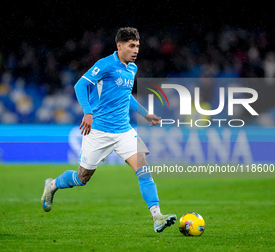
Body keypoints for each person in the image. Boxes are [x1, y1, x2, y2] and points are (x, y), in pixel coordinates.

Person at [41, 27, 176, 233]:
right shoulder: (105, 65)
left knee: (144, 171)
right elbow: (80, 86)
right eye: (131, 46)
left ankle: (157, 217)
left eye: (138, 46)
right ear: (119, 46)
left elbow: (125, 95)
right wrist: (88, 112)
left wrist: (145, 113)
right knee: (82, 178)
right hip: (99, 132)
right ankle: (52, 185)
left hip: (124, 131)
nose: (136, 50)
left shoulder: (132, 68)